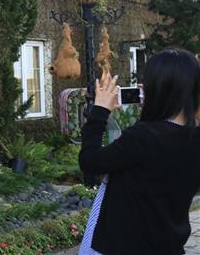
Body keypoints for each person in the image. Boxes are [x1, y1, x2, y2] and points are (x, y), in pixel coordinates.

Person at [79, 48, 200, 255]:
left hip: (125, 246)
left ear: (156, 89)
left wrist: (100, 110)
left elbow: (90, 161)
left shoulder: (143, 137)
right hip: (169, 246)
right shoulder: (192, 139)